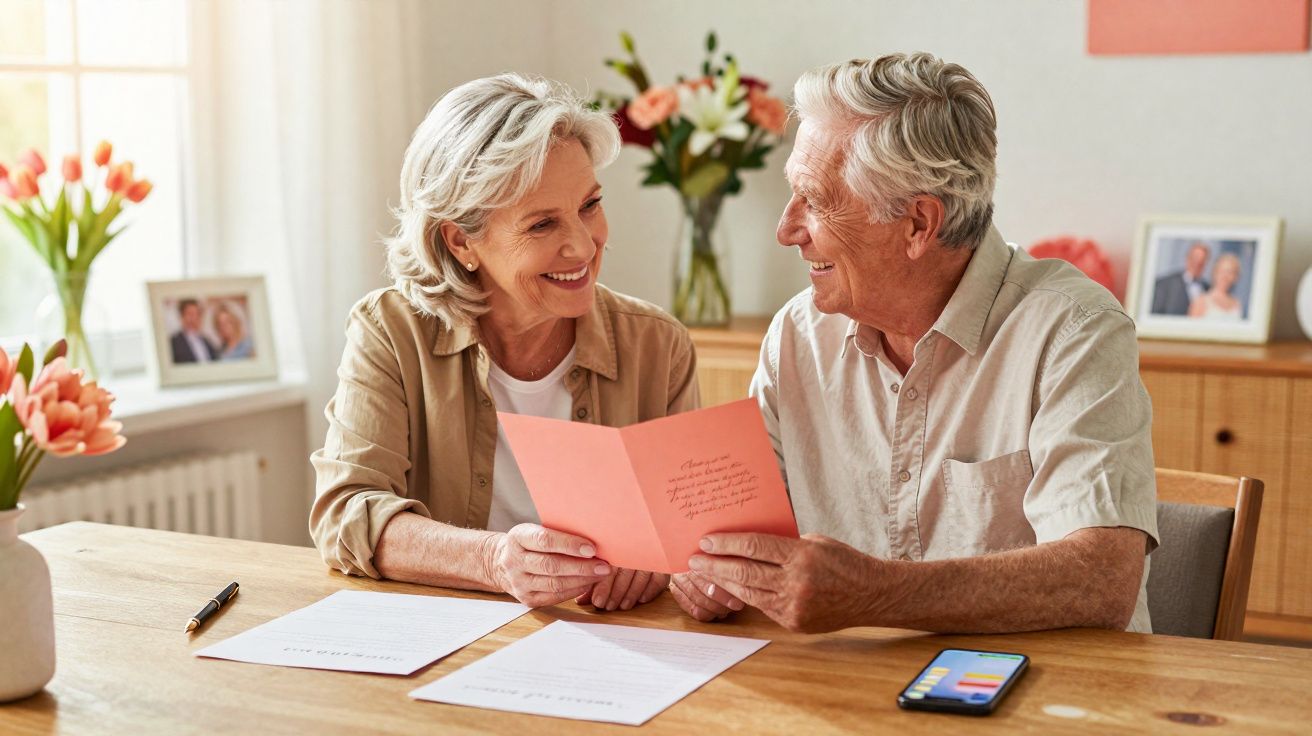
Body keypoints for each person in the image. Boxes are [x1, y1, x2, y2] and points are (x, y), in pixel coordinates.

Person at [673, 53, 1158, 635]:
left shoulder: (1073, 330)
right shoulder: (798, 335)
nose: (786, 230)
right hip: (851, 693)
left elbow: (1101, 579)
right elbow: (739, 532)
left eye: (815, 200)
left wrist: (875, 596)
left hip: (1045, 699)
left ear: (918, 225)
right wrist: (707, 570)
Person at [311, 74, 698, 612]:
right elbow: (346, 514)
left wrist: (658, 558)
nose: (584, 245)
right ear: (461, 241)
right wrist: (494, 561)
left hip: (614, 642)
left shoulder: (658, 345)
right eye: (542, 225)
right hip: (444, 635)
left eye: (589, 205)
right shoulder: (391, 332)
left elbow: (687, 528)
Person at [1152, 242, 1211, 316]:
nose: (1197, 264)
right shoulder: (1165, 284)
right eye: (1195, 259)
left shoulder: (1208, 288)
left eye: (1202, 261)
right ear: (1187, 259)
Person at [1188, 253, 1244, 320]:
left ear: (1236, 277)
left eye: (1230, 272)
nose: (1225, 276)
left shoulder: (1237, 304)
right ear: (1215, 272)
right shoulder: (1200, 302)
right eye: (1222, 271)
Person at [169, 298, 217, 364]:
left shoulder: (207, 342)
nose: (194, 319)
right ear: (181, 317)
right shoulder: (173, 342)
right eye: (190, 314)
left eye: (197, 314)